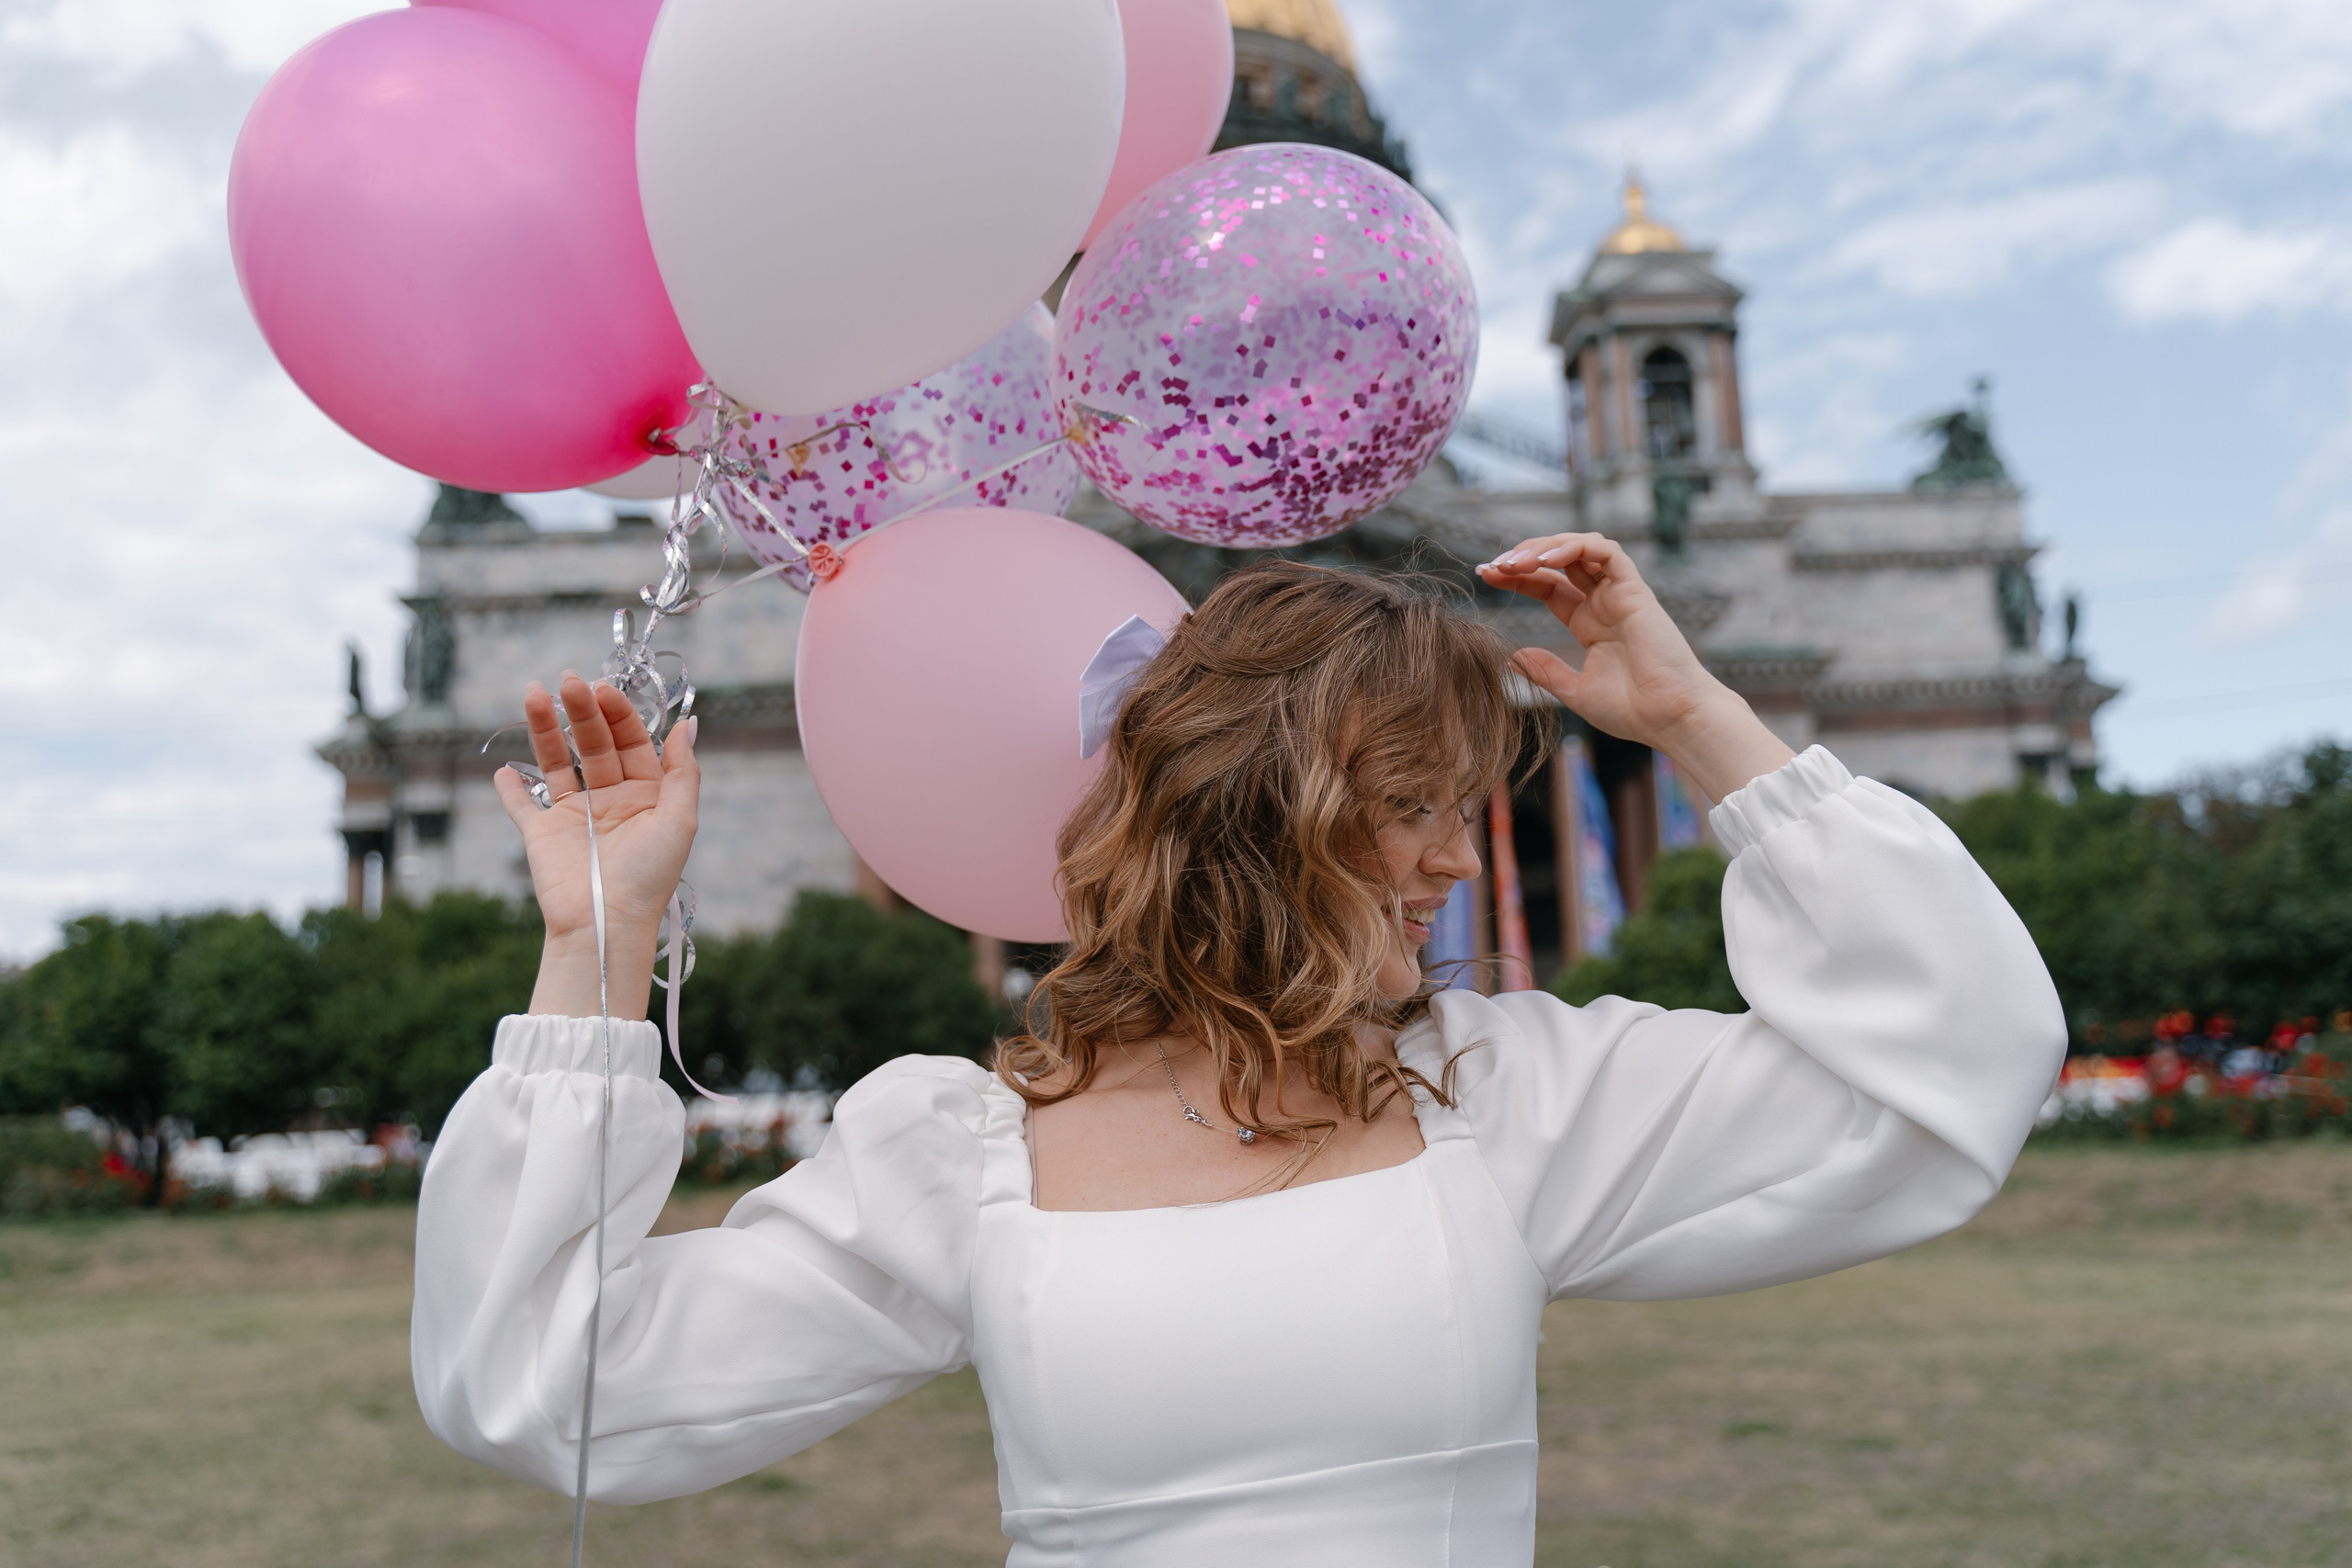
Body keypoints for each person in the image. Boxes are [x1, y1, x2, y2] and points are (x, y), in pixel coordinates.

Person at [412, 533, 2064, 1565]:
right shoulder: (959, 1156)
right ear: (1256, 812)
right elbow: (549, 1387)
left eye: (1467, 808)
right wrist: (600, 939)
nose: (1457, 860)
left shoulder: (1510, 1100)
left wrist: (1703, 723)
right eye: (1409, 803)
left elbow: (1943, 1077)